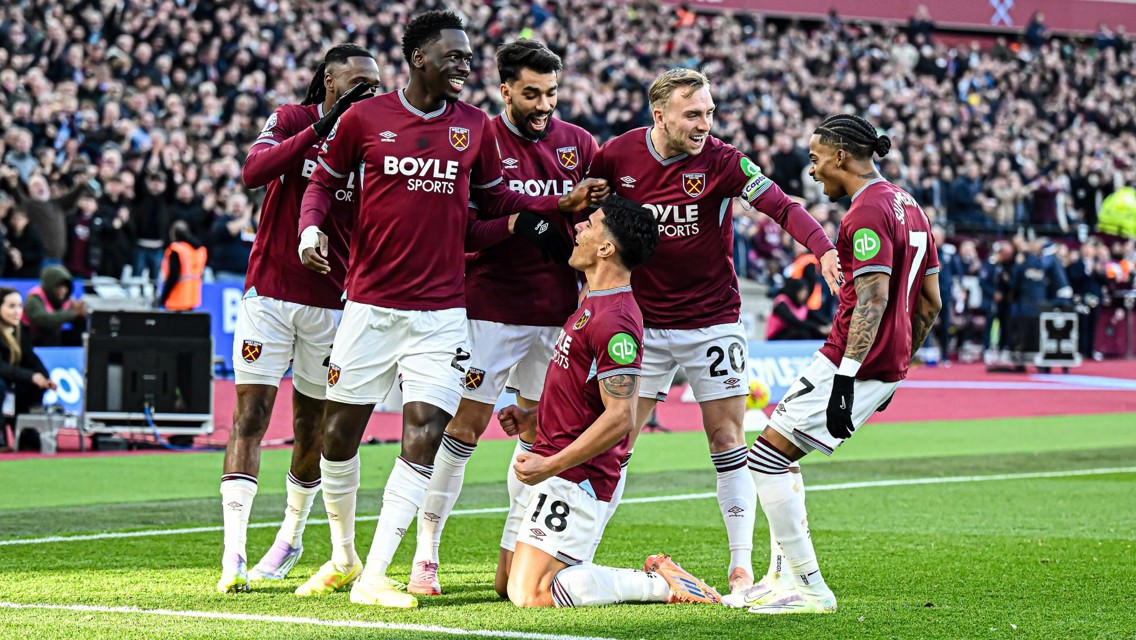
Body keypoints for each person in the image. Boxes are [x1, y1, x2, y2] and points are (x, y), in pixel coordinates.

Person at [293, 11, 605, 607]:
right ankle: (343, 555)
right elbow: (321, 184)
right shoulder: (366, 118)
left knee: (427, 432)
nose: (464, 66)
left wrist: (542, 209)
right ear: (418, 58)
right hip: (371, 303)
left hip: (443, 311)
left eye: (468, 57)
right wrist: (311, 231)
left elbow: (493, 201)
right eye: (453, 56)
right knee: (338, 435)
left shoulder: (472, 128)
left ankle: (383, 570)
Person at [586, 68, 839, 595]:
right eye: (693, 114)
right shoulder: (615, 157)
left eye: (709, 113)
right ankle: (580, 551)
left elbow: (781, 206)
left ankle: (740, 566)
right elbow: (584, 223)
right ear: (660, 116)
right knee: (617, 441)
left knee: (728, 439)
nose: (705, 124)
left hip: (712, 323)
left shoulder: (722, 160)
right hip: (642, 324)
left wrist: (823, 247)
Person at [726, 114, 940, 614]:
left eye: (816, 156)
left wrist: (849, 378)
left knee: (765, 458)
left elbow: (873, 298)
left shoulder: (865, 212)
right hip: (869, 362)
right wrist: (899, 367)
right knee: (779, 449)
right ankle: (781, 576)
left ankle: (810, 587)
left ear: (841, 156)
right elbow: (930, 303)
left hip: (852, 362)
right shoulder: (909, 205)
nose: (813, 168)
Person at [408, 38, 597, 597]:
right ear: (505, 89)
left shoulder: (580, 144)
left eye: (552, 95)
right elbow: (464, 230)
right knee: (461, 429)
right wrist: (526, 218)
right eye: (532, 94)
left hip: (557, 315)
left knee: (540, 432)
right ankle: (427, 554)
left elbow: (594, 219)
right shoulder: (479, 140)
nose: (544, 106)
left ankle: (514, 547)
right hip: (490, 311)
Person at [498, 195, 719, 609]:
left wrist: (550, 464)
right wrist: (532, 418)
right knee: (505, 583)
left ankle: (660, 584)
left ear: (606, 248)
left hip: (575, 476)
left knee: (529, 595)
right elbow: (581, 393)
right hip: (554, 463)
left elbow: (620, 417)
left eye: (590, 225)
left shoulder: (615, 318)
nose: (578, 228)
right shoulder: (590, 302)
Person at [214, 44, 380, 594]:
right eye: (358, 84)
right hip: (270, 292)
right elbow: (254, 170)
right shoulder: (291, 119)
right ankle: (233, 553)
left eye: (375, 86)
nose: (369, 94)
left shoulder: (374, 140)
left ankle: (290, 537)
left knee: (312, 427)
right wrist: (326, 123)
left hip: (334, 302)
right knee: (251, 416)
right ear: (329, 81)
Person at [0, 287, 57, 451]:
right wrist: (31, 376)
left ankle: (26, 430)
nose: (17, 311)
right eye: (11, 306)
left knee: (36, 385)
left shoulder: (21, 331)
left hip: (11, 385)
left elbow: (31, 359)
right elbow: (2, 368)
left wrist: (44, 378)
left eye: (19, 306)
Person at [21, 265, 87, 347]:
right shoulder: (34, 299)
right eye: (58, 286)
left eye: (65, 287)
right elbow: (44, 320)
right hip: (32, 340)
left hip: (55, 338)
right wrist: (73, 313)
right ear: (50, 285)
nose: (63, 290)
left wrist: (82, 314)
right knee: (51, 329)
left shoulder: (65, 298)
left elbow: (75, 314)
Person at [158, 220, 206, 311]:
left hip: (176, 299)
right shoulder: (198, 250)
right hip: (192, 298)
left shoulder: (177, 250)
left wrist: (163, 297)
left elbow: (173, 275)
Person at [766, 279, 831, 341]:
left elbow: (815, 317)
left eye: (806, 291)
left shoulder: (801, 305)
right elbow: (794, 321)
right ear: (795, 290)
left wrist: (830, 324)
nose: (805, 294)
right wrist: (818, 328)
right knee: (802, 333)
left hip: (791, 333)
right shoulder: (781, 303)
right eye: (802, 291)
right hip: (776, 336)